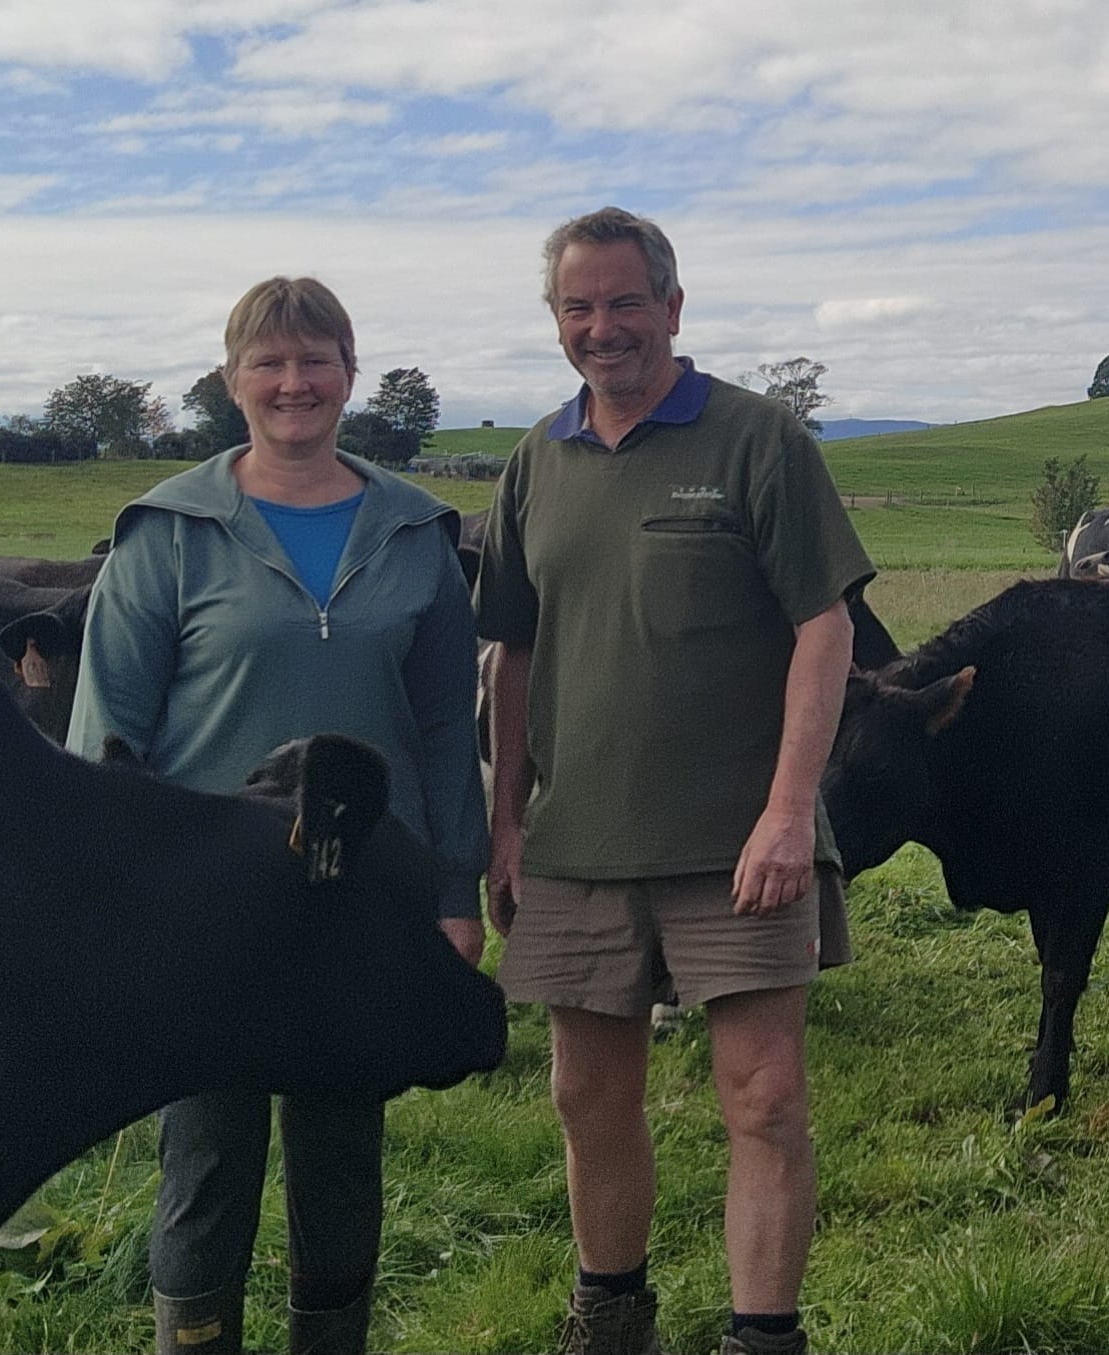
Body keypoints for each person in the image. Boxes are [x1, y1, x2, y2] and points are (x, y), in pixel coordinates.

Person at [474, 207, 873, 1355]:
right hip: (575, 843)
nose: (602, 328)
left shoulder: (756, 439)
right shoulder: (534, 461)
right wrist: (505, 819)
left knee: (763, 1097)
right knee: (585, 1099)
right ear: (556, 321)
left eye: (623, 302)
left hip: (737, 842)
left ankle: (761, 1334)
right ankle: (610, 1316)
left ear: (672, 307)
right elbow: (513, 650)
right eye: (577, 308)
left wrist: (790, 810)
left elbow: (822, 624)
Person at [66, 276, 488, 1355]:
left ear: (350, 372)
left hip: (365, 892)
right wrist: (113, 897)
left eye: (316, 360)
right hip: (206, 897)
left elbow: (447, 729)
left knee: (344, 1145)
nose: (293, 382)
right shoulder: (165, 532)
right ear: (230, 379)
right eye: (269, 362)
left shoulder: (413, 531)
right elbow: (109, 730)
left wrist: (452, 890)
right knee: (206, 1151)